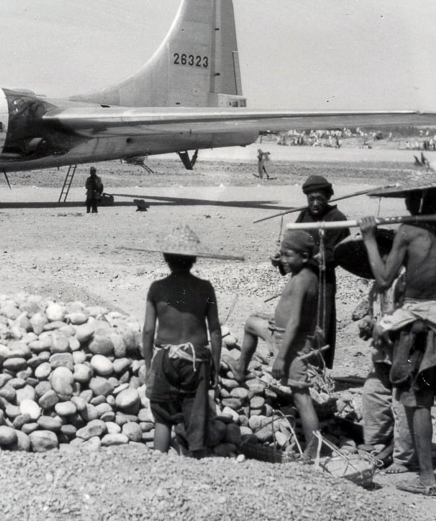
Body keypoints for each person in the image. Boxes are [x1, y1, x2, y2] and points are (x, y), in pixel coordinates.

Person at [358, 174, 436, 497]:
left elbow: (384, 280)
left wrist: (369, 238)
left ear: (412, 201)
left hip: (418, 331)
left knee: (419, 402)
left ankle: (427, 478)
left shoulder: (408, 232)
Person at [136, 224, 239, 456]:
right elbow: (215, 331)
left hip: (165, 358)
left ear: (165, 257)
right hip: (196, 361)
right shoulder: (205, 288)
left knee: (163, 416)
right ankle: (196, 465)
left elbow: (148, 331)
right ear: (194, 258)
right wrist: (214, 367)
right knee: (196, 418)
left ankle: (158, 462)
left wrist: (149, 366)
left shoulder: (157, 288)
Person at [232, 227, 324, 459]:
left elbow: (295, 321)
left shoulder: (304, 279)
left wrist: (281, 357)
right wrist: (282, 261)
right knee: (251, 323)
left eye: (287, 255)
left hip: (293, 342)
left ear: (304, 256)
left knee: (300, 395)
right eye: (281, 254)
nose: (283, 259)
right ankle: (240, 368)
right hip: (280, 332)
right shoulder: (302, 271)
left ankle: (313, 450)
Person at [293, 175, 349, 368]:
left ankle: (317, 369)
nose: (315, 203)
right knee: (298, 321)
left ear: (328, 197)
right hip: (300, 278)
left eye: (319, 198)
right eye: (311, 199)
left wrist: (320, 255)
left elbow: (340, 253)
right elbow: (292, 243)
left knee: (321, 324)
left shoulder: (337, 219)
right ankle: (298, 367)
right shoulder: (303, 216)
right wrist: (281, 259)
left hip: (323, 281)